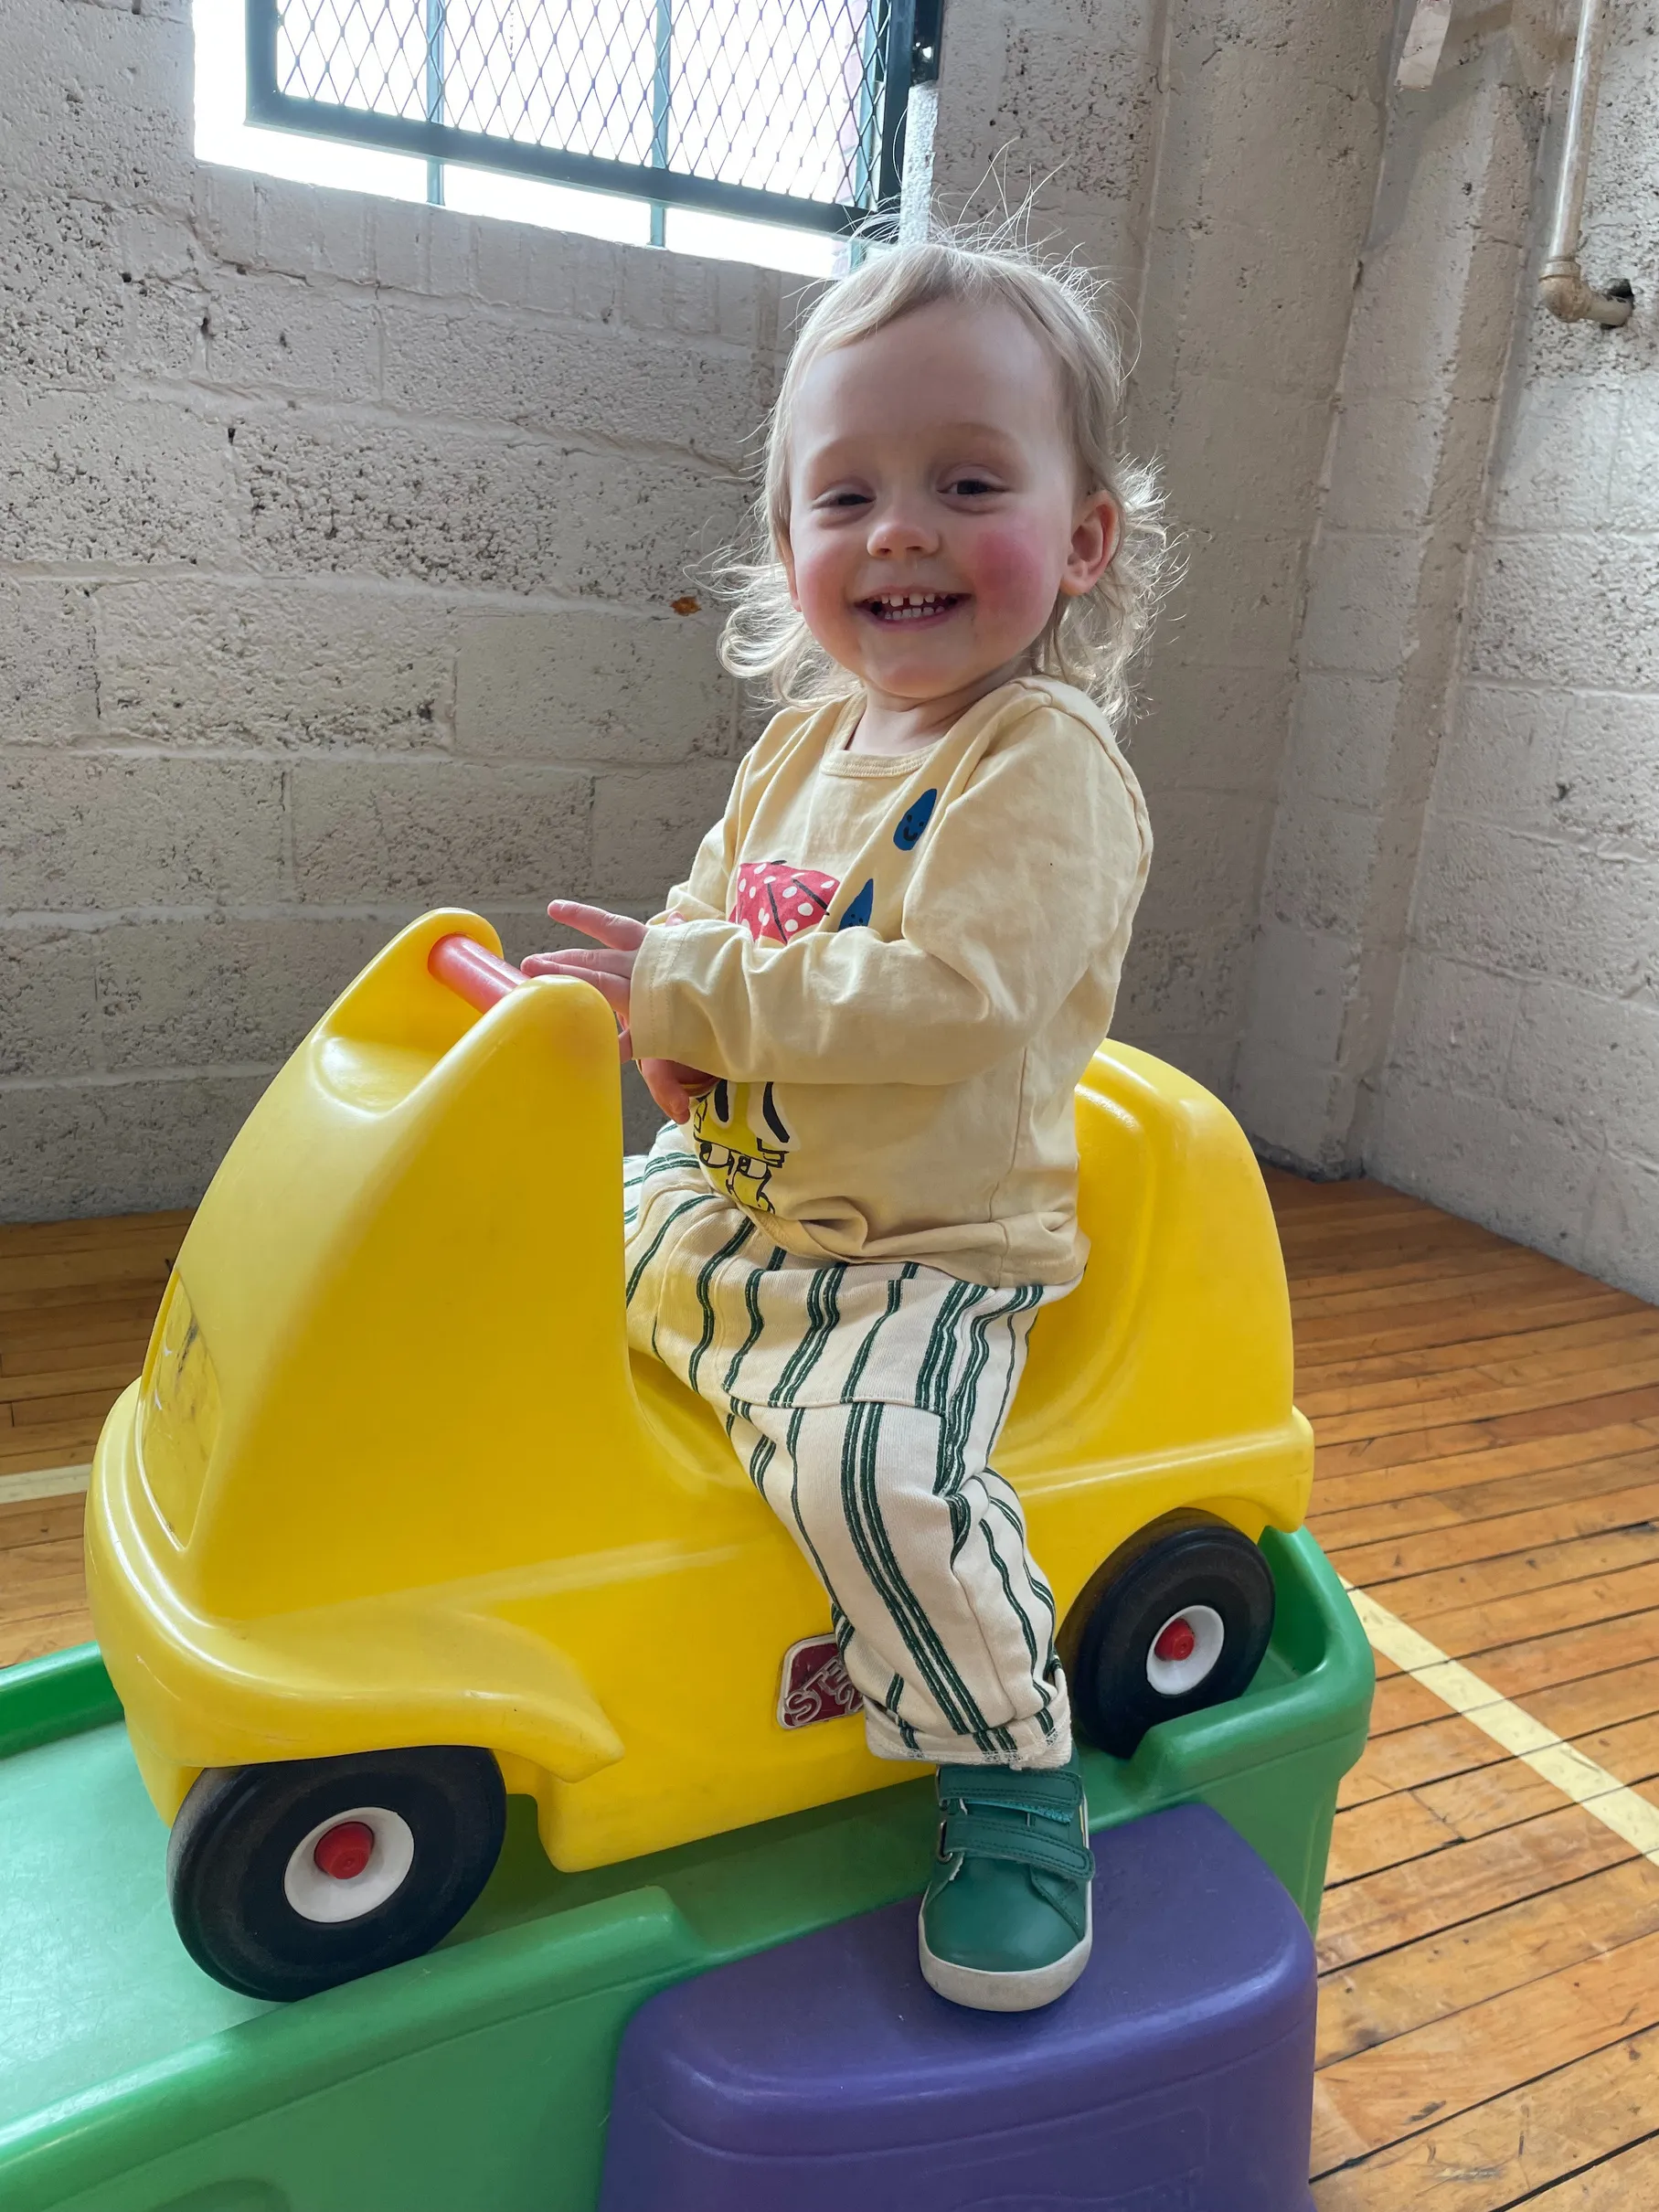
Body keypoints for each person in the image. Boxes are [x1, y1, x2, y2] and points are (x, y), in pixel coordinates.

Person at [526, 230, 1164, 2012]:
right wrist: (649, 1018)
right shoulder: (799, 751)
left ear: (1083, 539)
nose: (899, 532)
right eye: (846, 494)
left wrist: (690, 988)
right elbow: (709, 919)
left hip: (922, 1257)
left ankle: (1013, 1769)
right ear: (787, 538)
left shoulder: (1042, 767)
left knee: (869, 1473)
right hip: (740, 1205)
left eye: (967, 484)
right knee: (524, 1282)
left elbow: (951, 998)